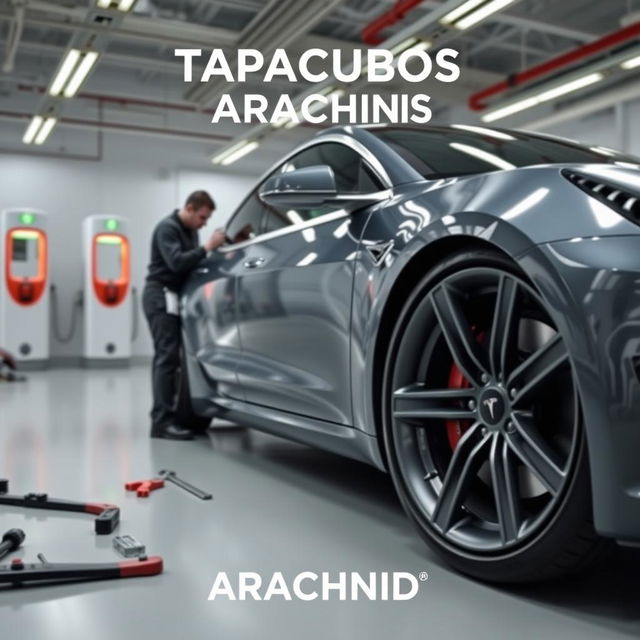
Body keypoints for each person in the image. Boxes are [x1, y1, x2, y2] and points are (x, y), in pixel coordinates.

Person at [143, 190, 226, 440]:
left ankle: (173, 417)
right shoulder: (166, 228)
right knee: (166, 359)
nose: (204, 223)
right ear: (189, 208)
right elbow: (177, 262)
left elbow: (193, 263)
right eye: (202, 217)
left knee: (175, 360)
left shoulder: (191, 231)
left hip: (175, 297)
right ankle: (161, 423)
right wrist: (208, 247)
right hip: (160, 296)